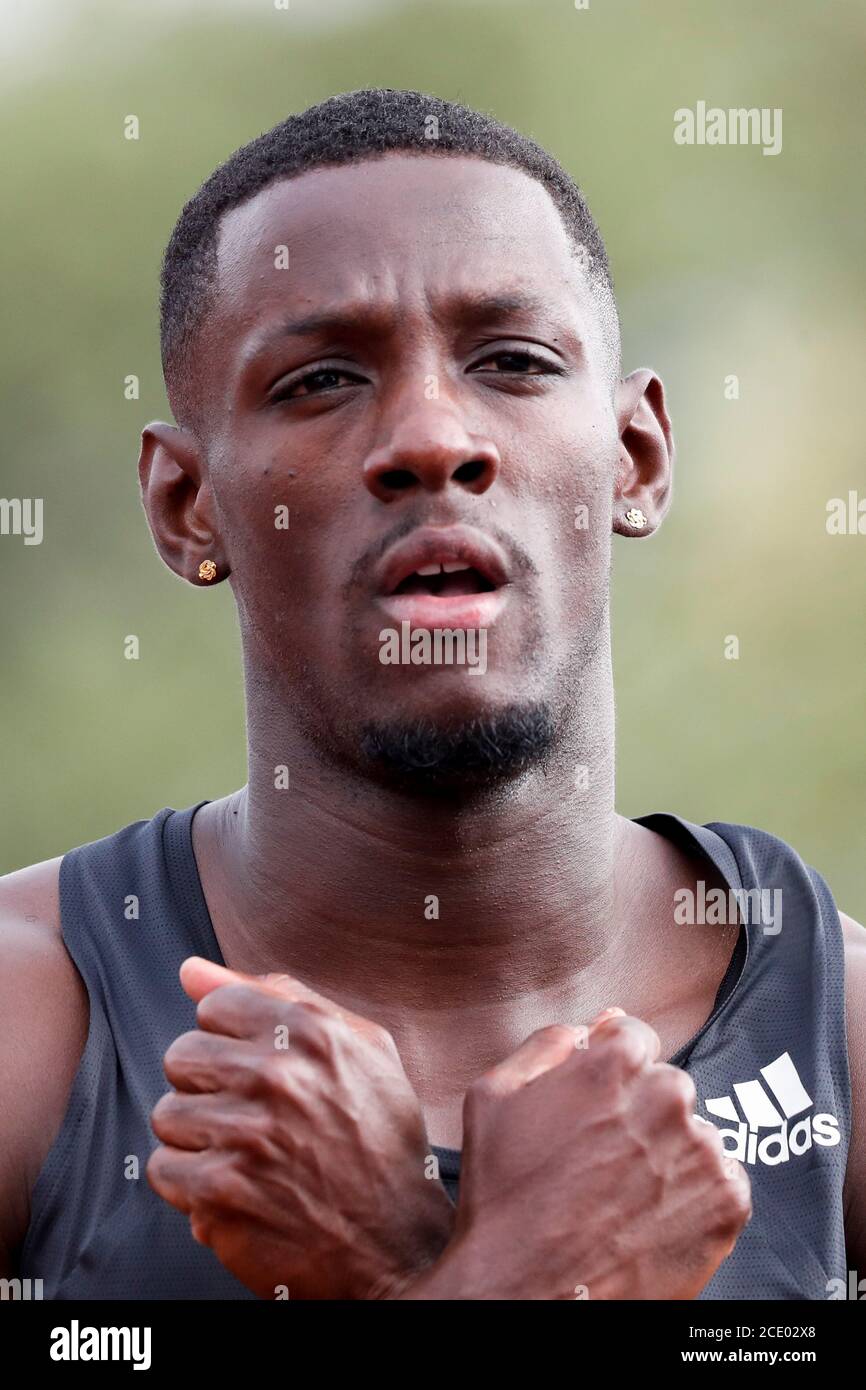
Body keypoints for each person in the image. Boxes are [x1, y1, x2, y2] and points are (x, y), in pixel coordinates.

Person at [1, 89, 862, 1301]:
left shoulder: (841, 1040)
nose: (429, 436)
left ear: (636, 457)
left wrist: (400, 1270)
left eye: (512, 361)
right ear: (186, 505)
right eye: (317, 380)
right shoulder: (32, 1025)